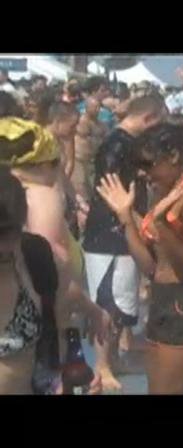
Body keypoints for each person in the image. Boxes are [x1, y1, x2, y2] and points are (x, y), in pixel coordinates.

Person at [96, 115, 183, 394]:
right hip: (163, 298)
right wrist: (126, 217)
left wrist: (162, 226)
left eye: (148, 164)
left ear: (173, 156)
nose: (143, 173)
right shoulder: (165, 193)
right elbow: (151, 267)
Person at [0, 120, 111, 395]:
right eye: (54, 163)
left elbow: (54, 283)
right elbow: (59, 290)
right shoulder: (42, 198)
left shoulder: (29, 251)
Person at [82, 95, 166, 391]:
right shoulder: (116, 146)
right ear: (148, 118)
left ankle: (114, 358)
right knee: (108, 300)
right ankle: (102, 364)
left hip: (122, 232)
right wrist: (140, 221)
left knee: (123, 301)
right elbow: (111, 192)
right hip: (108, 235)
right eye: (158, 123)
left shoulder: (126, 143)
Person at [72, 96, 107, 207]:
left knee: (92, 188)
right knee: (81, 186)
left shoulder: (101, 124)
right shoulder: (80, 121)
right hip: (79, 158)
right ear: (87, 107)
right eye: (94, 107)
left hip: (93, 160)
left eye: (98, 107)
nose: (97, 109)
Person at [46, 101, 80, 181]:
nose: (76, 130)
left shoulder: (60, 141)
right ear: (58, 122)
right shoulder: (41, 142)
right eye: (72, 126)